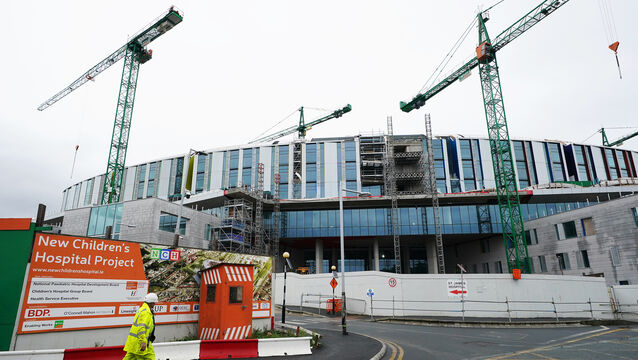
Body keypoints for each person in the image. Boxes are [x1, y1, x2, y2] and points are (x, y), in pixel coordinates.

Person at [123, 293, 158, 360]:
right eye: (154, 303)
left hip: (135, 341)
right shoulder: (146, 312)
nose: (155, 304)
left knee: (129, 357)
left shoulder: (142, 309)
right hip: (141, 341)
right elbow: (141, 328)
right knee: (149, 357)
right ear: (152, 302)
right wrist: (143, 341)